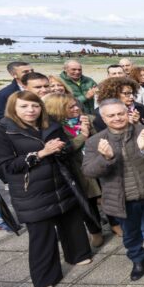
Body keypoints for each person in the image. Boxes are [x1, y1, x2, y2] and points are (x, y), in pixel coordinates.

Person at [0, 91, 92, 287]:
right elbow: (5, 167)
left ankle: (78, 254)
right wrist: (41, 154)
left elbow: (66, 148)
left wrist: (61, 147)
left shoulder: (50, 124)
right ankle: (44, 278)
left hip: (61, 182)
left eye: (35, 106)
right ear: (13, 108)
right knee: (42, 235)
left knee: (72, 222)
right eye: (24, 106)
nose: (30, 110)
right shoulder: (4, 130)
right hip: (31, 190)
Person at [82, 100, 144, 280]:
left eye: (120, 113)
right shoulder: (95, 141)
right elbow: (88, 171)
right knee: (130, 233)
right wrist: (105, 158)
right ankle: (137, 259)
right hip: (122, 197)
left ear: (127, 113)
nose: (117, 118)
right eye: (111, 115)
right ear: (103, 118)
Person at [43, 94, 105, 247]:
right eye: (70, 107)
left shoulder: (87, 119)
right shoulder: (55, 128)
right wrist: (82, 136)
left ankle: (116, 224)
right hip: (77, 170)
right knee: (87, 202)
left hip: (96, 163)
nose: (77, 108)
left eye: (76, 104)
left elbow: (101, 139)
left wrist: (89, 131)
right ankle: (95, 231)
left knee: (107, 195)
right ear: (58, 110)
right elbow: (64, 150)